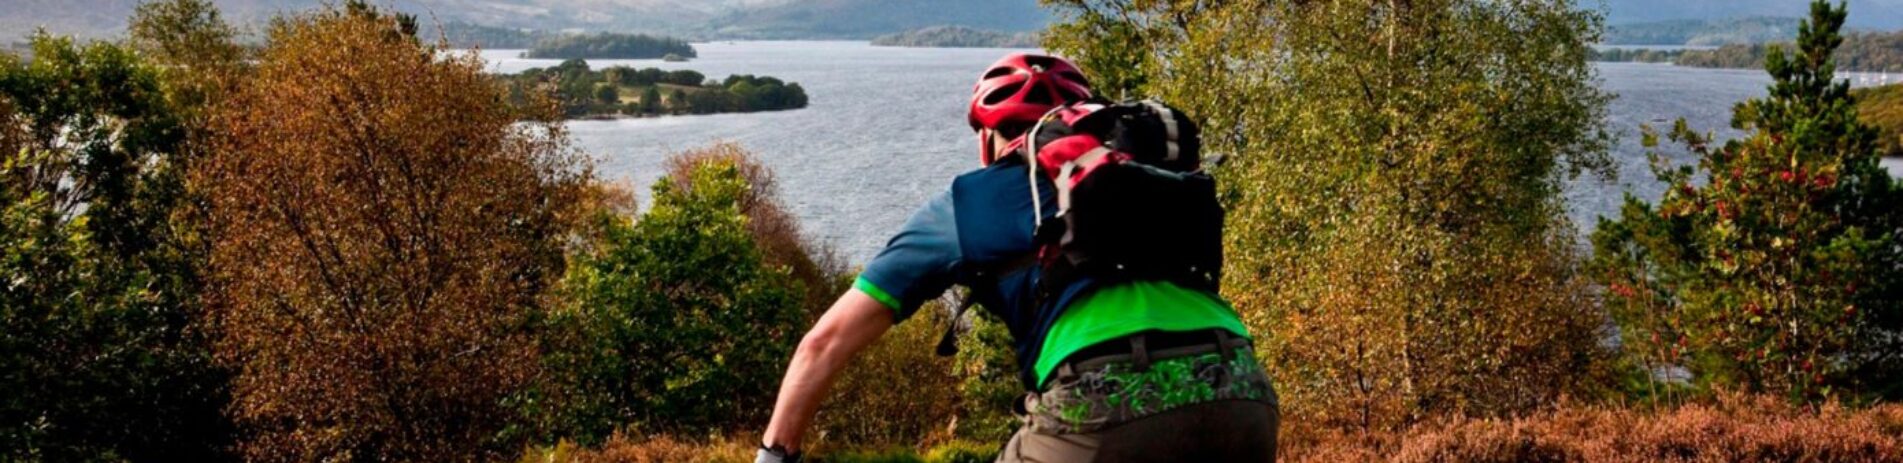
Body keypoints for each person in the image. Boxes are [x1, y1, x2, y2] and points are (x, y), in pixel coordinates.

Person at [756, 53, 1278, 463]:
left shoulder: (964, 204)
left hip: (1104, 397)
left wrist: (775, 454)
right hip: (1241, 389)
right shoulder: (1145, 187)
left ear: (988, 140)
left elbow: (825, 342)